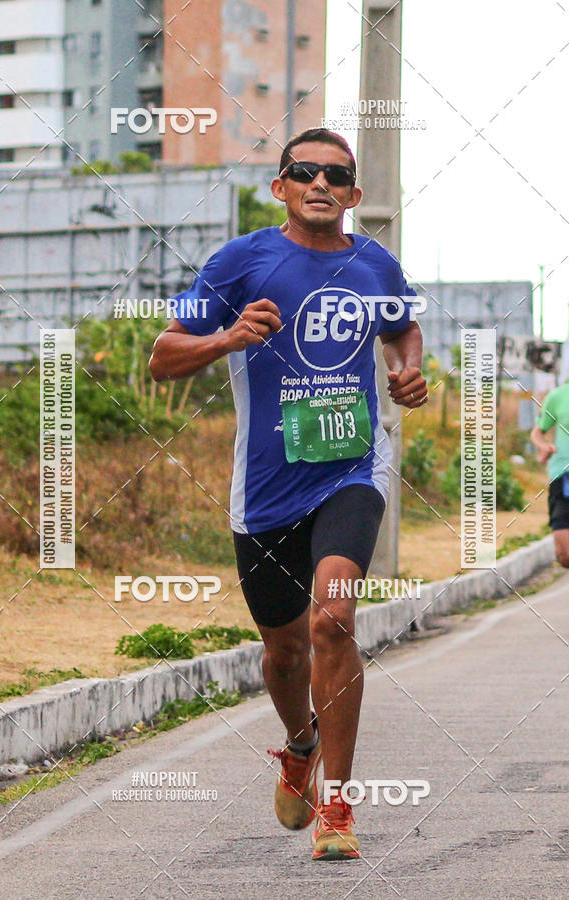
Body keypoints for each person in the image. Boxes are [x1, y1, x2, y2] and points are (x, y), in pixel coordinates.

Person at [149, 127, 427, 860]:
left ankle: (338, 807)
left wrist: (408, 370)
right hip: (266, 491)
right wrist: (227, 338)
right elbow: (162, 356)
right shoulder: (240, 262)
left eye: (336, 174)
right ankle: (298, 741)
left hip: (351, 471)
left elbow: (404, 328)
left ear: (354, 195)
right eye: (304, 171)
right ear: (281, 186)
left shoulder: (375, 263)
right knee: (281, 654)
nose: (320, 182)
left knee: (331, 620)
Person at [530, 381, 569, 567]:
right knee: (565, 555)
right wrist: (544, 446)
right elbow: (538, 432)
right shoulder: (557, 396)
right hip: (563, 477)